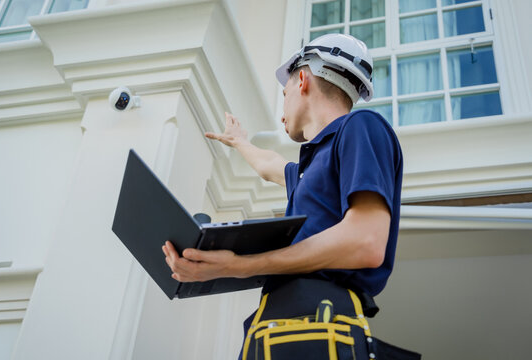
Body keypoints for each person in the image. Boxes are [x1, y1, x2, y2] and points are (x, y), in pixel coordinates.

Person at [163, 34, 416, 359]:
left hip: (319, 321)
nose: (282, 114)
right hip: (276, 327)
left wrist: (241, 266)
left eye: (284, 95)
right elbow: (270, 165)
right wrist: (240, 142)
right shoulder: (312, 170)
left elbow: (365, 242)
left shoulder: (361, 127)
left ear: (302, 79)